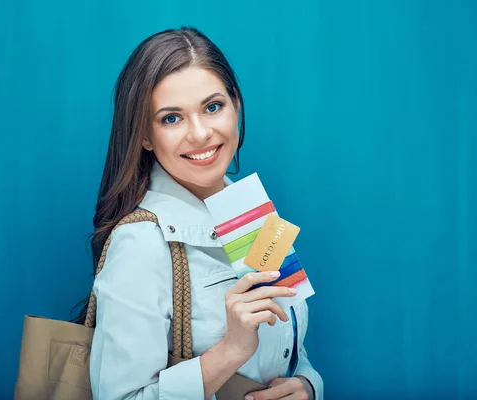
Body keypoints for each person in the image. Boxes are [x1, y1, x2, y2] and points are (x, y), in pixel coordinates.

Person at [84, 26, 324, 400]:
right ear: (145, 136)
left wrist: (307, 386)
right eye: (171, 118)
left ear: (236, 106)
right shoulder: (141, 244)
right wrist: (230, 351)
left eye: (213, 107)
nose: (199, 133)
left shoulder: (252, 212)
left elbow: (283, 347)